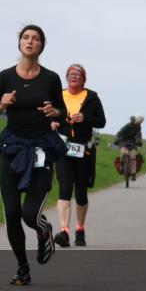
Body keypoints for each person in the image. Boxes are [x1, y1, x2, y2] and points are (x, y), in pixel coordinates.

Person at [0, 25, 66, 286]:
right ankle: (22, 267)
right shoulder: (5, 77)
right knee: (12, 213)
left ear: (42, 46)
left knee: (30, 215)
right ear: (19, 44)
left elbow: (61, 112)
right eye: (26, 37)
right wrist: (0, 106)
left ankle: (44, 231)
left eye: (36, 38)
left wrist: (55, 113)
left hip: (41, 148)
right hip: (12, 149)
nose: (30, 42)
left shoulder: (50, 79)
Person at [52, 64, 106, 248]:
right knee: (64, 188)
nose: (74, 77)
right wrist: (52, 123)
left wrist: (85, 118)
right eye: (71, 74)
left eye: (78, 74)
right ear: (66, 77)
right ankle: (64, 232)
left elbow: (102, 121)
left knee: (81, 193)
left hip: (84, 150)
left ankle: (80, 229)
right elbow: (49, 115)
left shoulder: (91, 97)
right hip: (63, 149)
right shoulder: (58, 95)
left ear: (84, 79)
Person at [115, 116, 144, 181]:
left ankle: (133, 174)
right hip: (124, 142)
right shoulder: (128, 126)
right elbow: (120, 132)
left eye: (141, 122)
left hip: (132, 143)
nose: (140, 123)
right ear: (136, 121)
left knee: (133, 157)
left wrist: (139, 141)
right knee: (123, 153)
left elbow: (139, 134)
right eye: (140, 122)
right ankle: (122, 166)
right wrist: (118, 139)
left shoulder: (138, 126)